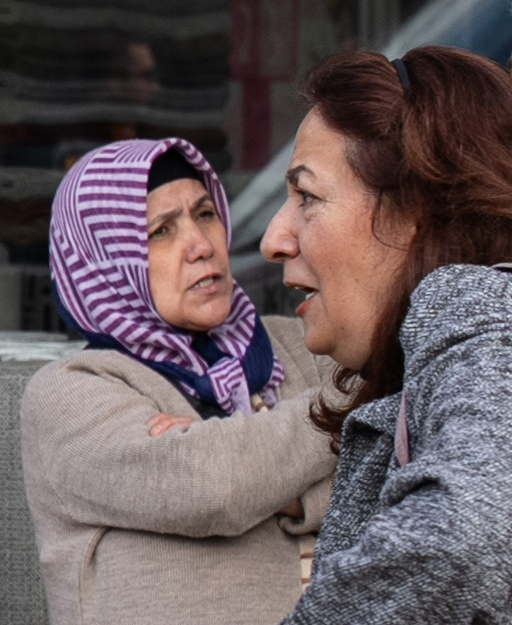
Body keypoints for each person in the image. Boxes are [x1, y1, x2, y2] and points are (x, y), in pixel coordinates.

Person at [21, 137, 336, 625]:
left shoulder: (302, 345)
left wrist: (288, 487)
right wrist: (345, 417)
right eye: (161, 231)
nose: (201, 245)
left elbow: (403, 467)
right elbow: (208, 486)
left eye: (205, 214)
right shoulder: (75, 390)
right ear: (105, 261)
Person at [262, 45, 512, 623]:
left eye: (307, 196)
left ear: (415, 211)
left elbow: (468, 529)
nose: (274, 238)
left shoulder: (483, 315)